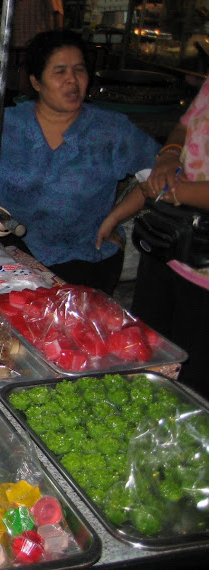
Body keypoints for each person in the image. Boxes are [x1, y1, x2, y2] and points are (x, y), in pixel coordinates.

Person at [0, 30, 161, 295]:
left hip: (88, 261)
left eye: (79, 70)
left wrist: (115, 218)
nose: (72, 80)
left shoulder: (111, 130)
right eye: (60, 72)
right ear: (36, 82)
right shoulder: (11, 124)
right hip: (18, 254)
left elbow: (157, 178)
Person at [99, 77, 209, 396]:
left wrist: (177, 192)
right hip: (169, 246)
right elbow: (184, 127)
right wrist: (170, 155)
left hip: (204, 273)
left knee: (193, 382)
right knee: (144, 359)